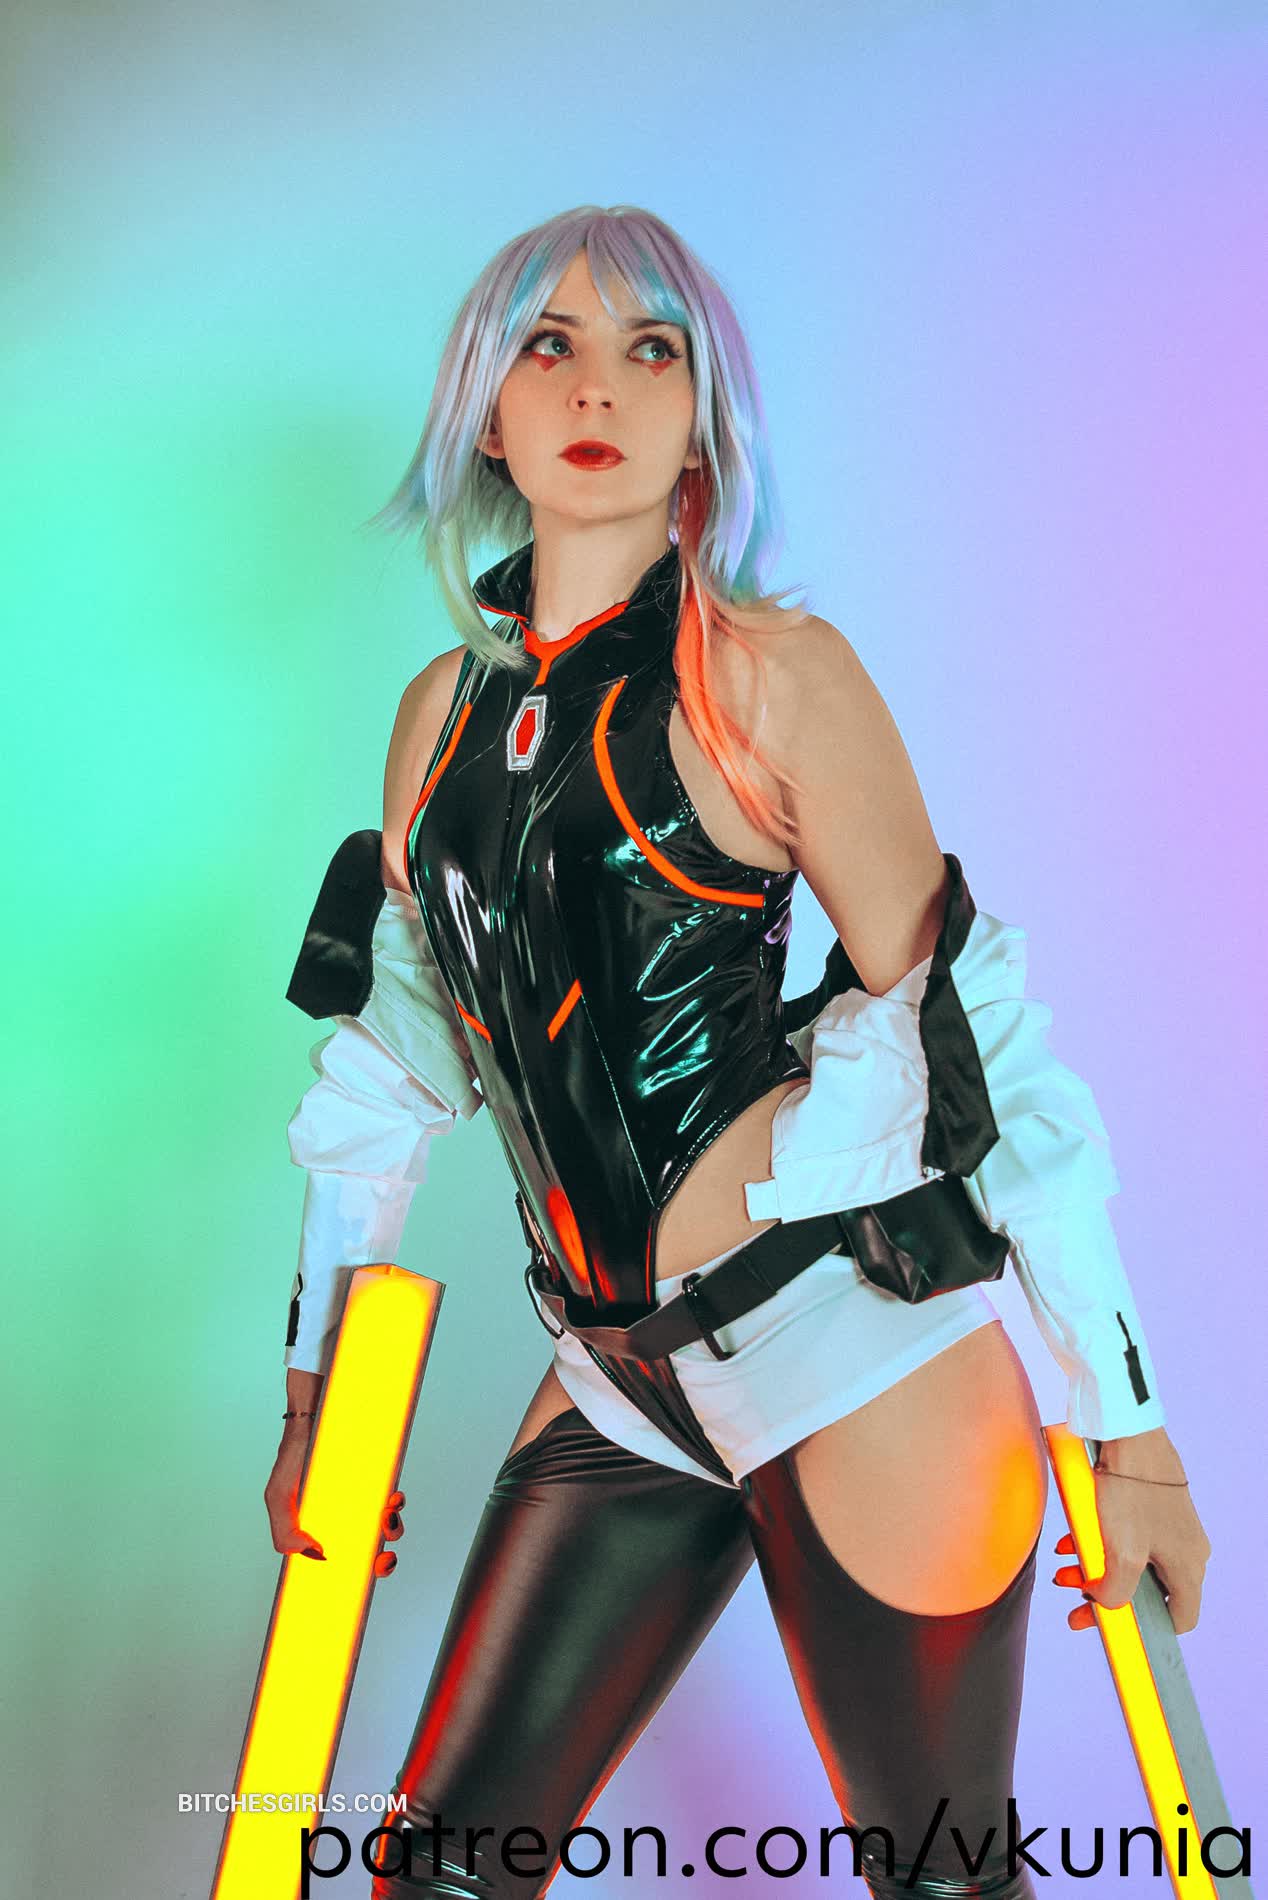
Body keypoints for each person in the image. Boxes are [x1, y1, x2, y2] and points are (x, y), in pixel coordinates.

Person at [263, 206, 1211, 1899]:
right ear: (487, 412)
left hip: (852, 1346)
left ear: (702, 418)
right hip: (621, 1381)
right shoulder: (437, 720)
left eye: (652, 349)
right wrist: (316, 1398)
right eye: (548, 345)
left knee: (941, 1882)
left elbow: (980, 1032)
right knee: (444, 1872)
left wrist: (1132, 1433)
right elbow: (392, 1083)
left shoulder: (770, 677)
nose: (598, 388)